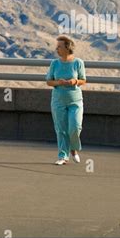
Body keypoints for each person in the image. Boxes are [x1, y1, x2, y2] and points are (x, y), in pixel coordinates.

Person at [46, 35, 86, 165]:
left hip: (75, 101)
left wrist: (74, 81)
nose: (57, 49)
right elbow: (49, 81)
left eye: (59, 47)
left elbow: (83, 80)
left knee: (75, 127)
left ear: (67, 48)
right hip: (58, 101)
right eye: (57, 47)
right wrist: (58, 82)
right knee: (61, 129)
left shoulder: (78, 63)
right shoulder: (54, 63)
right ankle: (63, 156)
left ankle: (74, 149)